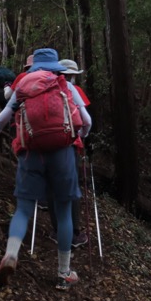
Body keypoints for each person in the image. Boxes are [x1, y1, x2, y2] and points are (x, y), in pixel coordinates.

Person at [0, 48, 92, 291]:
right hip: (63, 153)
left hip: (31, 153)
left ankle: (11, 255)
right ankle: (63, 273)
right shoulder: (63, 84)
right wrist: (81, 136)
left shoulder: (24, 84)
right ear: (56, 66)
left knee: (24, 208)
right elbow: (86, 121)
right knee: (64, 211)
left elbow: (3, 117)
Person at [47, 59, 90, 248]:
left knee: (51, 187)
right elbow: (85, 119)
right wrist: (82, 136)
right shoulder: (75, 90)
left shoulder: (44, 88)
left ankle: (57, 230)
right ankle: (73, 233)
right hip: (69, 143)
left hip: (45, 144)